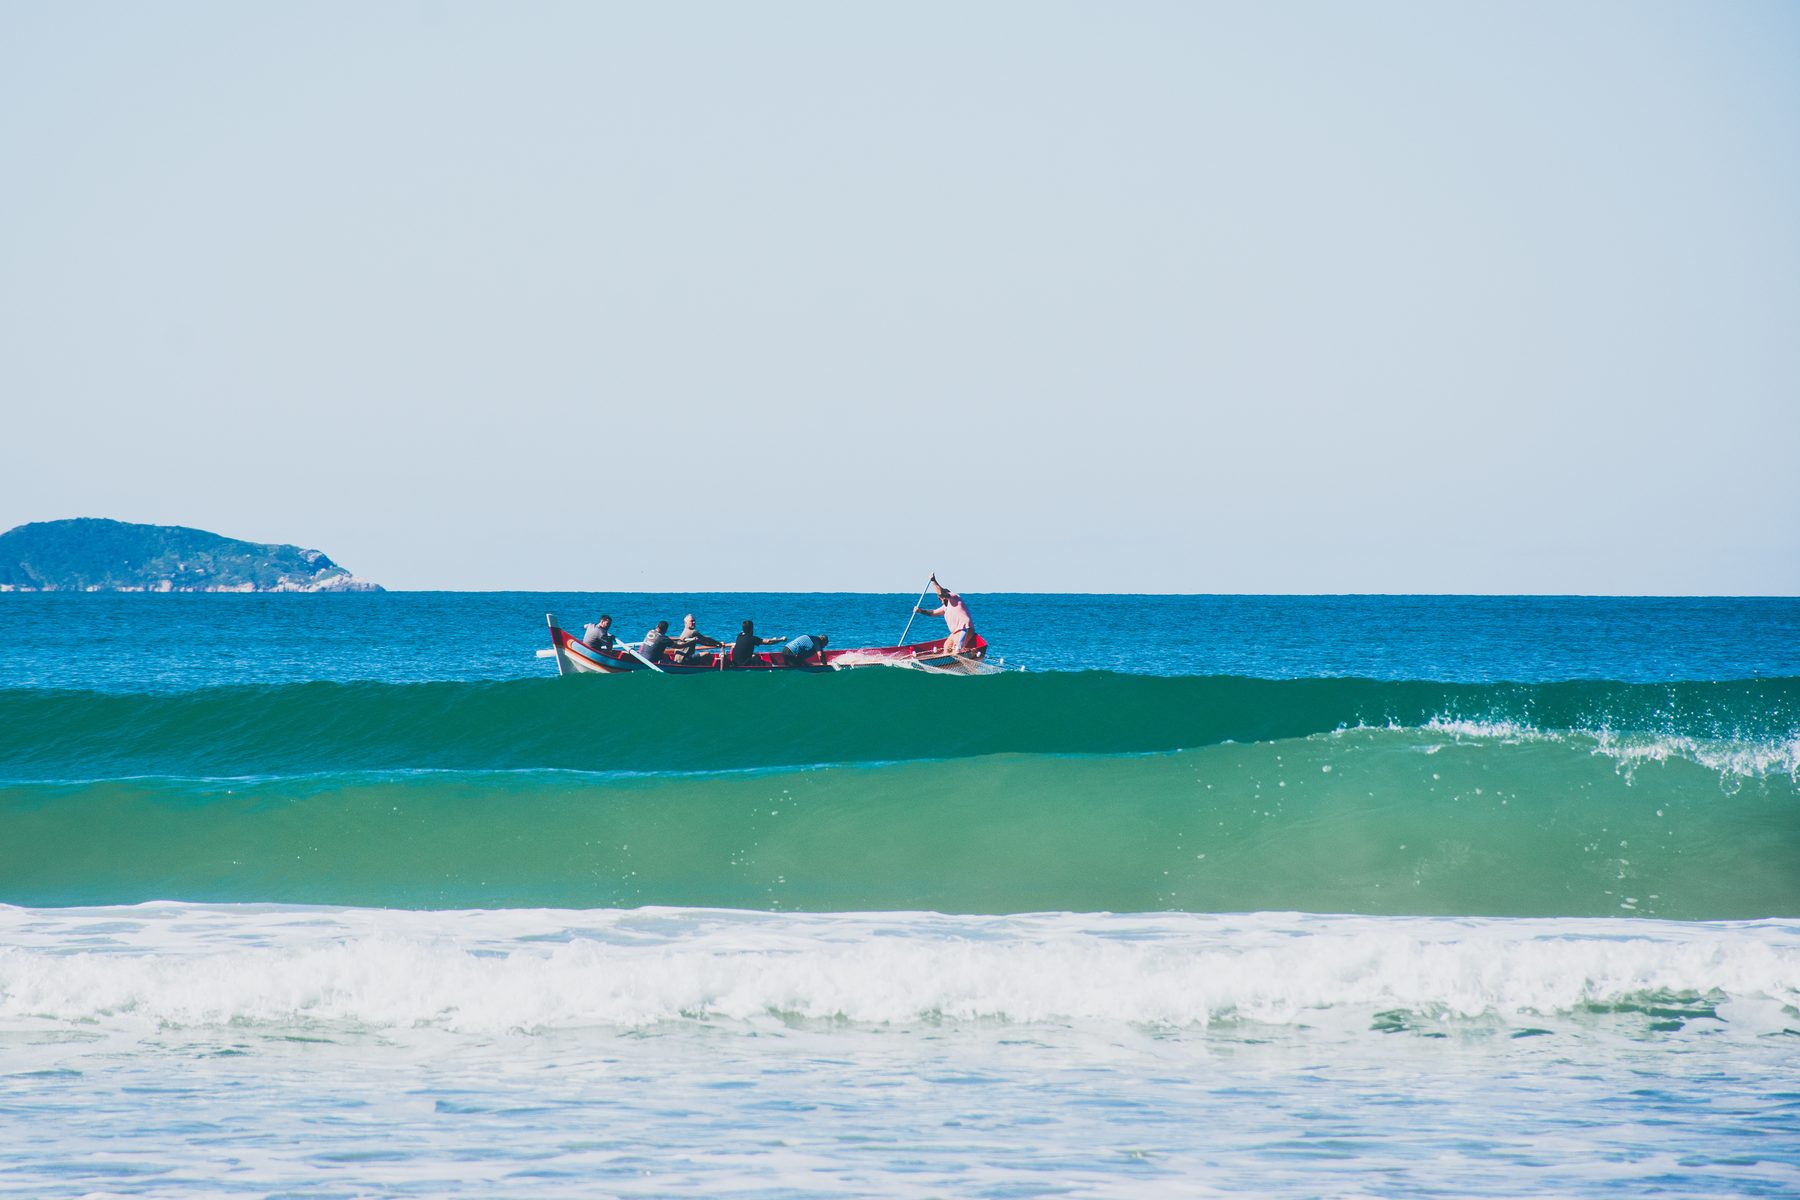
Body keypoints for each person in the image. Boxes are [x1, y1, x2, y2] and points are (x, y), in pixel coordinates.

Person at [915, 574, 976, 654]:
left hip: (964, 629)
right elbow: (933, 613)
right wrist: (920, 611)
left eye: (940, 597)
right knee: (946, 646)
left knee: (956, 649)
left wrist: (933, 581)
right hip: (955, 632)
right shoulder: (945, 607)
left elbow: (941, 593)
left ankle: (972, 652)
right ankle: (944, 664)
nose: (939, 599)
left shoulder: (954, 598)